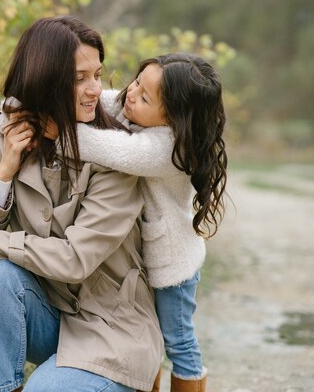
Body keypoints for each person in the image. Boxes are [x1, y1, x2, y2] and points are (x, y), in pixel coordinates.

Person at [0, 15, 163, 392]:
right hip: (48, 315)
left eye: (97, 74)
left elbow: (76, 259)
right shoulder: (7, 129)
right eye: (80, 78)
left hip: (109, 331)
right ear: (45, 80)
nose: (95, 89)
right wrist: (4, 173)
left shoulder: (116, 149)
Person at [53, 53, 228, 392]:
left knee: (178, 342)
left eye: (145, 96)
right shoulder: (137, 109)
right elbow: (100, 100)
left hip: (173, 267)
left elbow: (111, 148)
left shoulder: (167, 149)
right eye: (136, 81)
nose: (130, 93)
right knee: (146, 334)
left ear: (173, 119)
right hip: (146, 259)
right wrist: (28, 99)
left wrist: (56, 132)